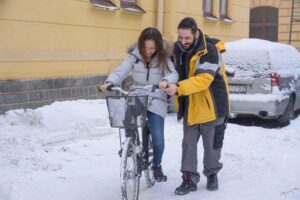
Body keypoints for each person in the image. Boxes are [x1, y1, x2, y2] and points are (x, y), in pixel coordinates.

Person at [100, 27, 178, 182]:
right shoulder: (134, 56)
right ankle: (131, 143)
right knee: (127, 117)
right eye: (145, 47)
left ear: (157, 47)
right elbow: (120, 71)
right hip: (138, 95)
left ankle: (156, 165)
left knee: (158, 139)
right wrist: (110, 82)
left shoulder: (163, 58)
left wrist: (165, 81)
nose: (148, 51)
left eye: (152, 48)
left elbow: (173, 74)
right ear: (140, 44)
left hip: (156, 98)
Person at [164, 17, 230, 195]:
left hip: (213, 106)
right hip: (190, 106)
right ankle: (189, 180)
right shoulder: (177, 48)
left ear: (196, 33)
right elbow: (165, 64)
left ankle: (212, 174)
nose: (183, 42)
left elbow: (203, 80)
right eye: (180, 38)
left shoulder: (209, 51)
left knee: (212, 146)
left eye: (187, 38)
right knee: (188, 145)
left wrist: (178, 88)